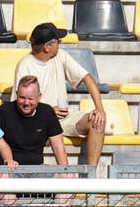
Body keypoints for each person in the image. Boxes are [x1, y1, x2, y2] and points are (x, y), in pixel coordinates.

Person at [14, 23, 106, 164]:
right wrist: (48, 112)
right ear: (47, 47)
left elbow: (87, 78)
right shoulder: (25, 65)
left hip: (64, 118)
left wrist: (100, 109)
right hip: (38, 121)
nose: (60, 44)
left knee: (97, 121)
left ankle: (91, 178)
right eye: (59, 41)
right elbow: (22, 104)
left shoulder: (60, 55)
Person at [0, 75, 68, 169]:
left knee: (68, 176)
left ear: (39, 97)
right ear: (16, 94)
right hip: (8, 169)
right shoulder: (2, 112)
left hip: (37, 169)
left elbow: (58, 146)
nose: (26, 102)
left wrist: (65, 172)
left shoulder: (47, 112)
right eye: (22, 98)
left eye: (30, 98)